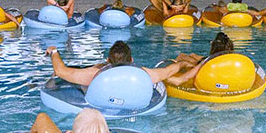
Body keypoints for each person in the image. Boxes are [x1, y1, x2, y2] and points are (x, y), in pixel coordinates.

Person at [45, 40, 183, 86]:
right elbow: (171, 70)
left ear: (107, 61)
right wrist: (182, 63)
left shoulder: (93, 75)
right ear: (132, 60)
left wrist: (54, 51)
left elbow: (60, 71)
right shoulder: (144, 74)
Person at [167, 32, 236, 86]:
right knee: (191, 56)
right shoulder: (233, 59)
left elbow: (184, 78)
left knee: (184, 61)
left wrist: (177, 79)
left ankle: (174, 69)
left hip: (209, 74)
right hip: (215, 67)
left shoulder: (209, 63)